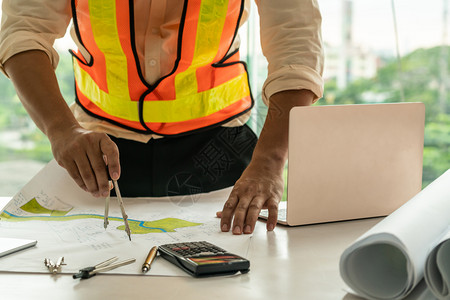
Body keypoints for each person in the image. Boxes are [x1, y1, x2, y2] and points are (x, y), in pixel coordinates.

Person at [0, 0, 323, 235]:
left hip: (222, 153)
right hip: (97, 153)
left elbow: (297, 48)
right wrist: (61, 130)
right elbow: (24, 31)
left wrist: (270, 161)